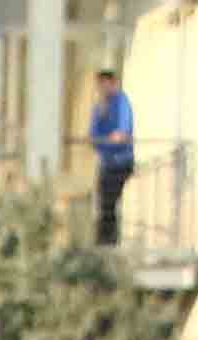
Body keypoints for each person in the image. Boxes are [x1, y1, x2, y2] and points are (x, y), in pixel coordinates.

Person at [88, 69, 136, 247]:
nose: (102, 88)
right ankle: (104, 243)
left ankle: (109, 243)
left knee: (109, 203)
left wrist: (106, 142)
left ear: (113, 83)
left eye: (105, 83)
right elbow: (93, 137)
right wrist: (107, 141)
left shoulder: (121, 102)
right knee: (103, 203)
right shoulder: (99, 107)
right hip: (107, 163)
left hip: (121, 162)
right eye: (99, 84)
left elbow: (122, 135)